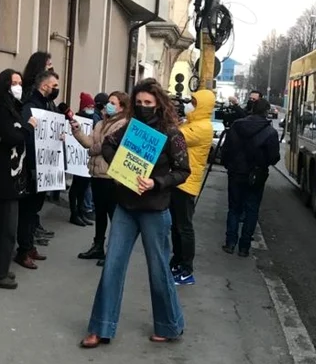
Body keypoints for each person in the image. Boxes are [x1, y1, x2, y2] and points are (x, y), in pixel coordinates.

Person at [80, 78, 190, 348]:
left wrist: (157, 183)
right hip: (126, 208)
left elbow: (183, 171)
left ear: (159, 104)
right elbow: (107, 144)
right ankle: (100, 327)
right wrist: (119, 167)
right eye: (139, 103)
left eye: (148, 103)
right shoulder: (130, 127)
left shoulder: (172, 133)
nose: (143, 107)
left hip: (155, 210)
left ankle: (169, 324)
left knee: (159, 270)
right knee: (112, 267)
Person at [0, 69, 35, 289]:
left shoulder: (12, 107)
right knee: (2, 227)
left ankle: (0, 268)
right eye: (14, 82)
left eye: (20, 82)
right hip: (2, 176)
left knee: (7, 227)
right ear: (4, 84)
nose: (18, 86)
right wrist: (28, 127)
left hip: (12, 176)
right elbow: (13, 136)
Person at [71, 91, 130, 266]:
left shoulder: (123, 124)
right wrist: (77, 132)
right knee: (101, 213)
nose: (108, 105)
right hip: (96, 174)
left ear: (122, 106)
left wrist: (92, 150)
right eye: (108, 102)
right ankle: (98, 246)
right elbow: (90, 142)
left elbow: (108, 146)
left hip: (111, 176)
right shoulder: (101, 123)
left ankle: (113, 251)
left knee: (113, 214)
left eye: (113, 102)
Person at [221, 98, 280, 257]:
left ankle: (230, 243)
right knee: (251, 209)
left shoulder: (236, 126)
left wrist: (229, 165)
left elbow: (226, 149)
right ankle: (244, 247)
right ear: (266, 111)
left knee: (234, 208)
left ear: (252, 109)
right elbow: (274, 158)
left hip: (235, 172)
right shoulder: (270, 132)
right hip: (256, 175)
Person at [15, 69, 61, 269]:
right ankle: (23, 250)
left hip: (46, 168)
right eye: (55, 86)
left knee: (35, 209)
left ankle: (30, 245)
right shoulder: (30, 107)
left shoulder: (48, 105)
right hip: (33, 168)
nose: (56, 89)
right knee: (27, 210)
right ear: (44, 86)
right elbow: (26, 136)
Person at [169, 90, 215, 286]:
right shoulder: (192, 123)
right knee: (177, 227)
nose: (189, 105)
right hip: (179, 181)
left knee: (184, 227)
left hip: (186, 184)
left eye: (193, 103)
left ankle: (186, 269)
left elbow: (175, 138)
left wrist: (171, 122)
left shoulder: (201, 127)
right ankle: (177, 262)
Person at [68, 92, 97, 227]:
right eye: (89, 106)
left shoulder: (94, 119)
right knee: (76, 187)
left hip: (86, 159)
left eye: (93, 106)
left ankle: (81, 212)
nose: (91, 108)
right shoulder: (77, 119)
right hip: (77, 160)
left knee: (84, 187)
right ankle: (74, 213)